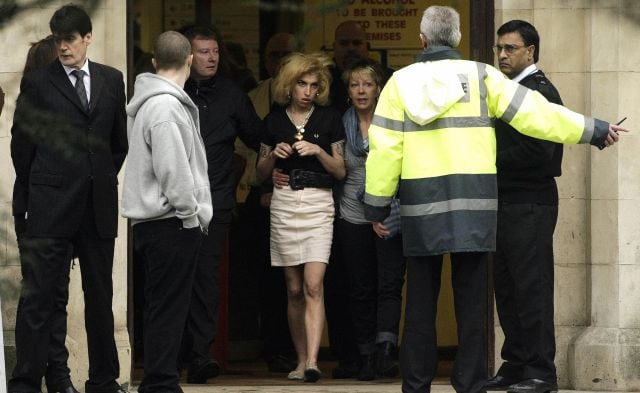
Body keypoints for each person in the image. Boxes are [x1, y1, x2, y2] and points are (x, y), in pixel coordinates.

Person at [363, 6, 626, 393]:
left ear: (422, 40)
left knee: (419, 301)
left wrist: (376, 204)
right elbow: (537, 115)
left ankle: (416, 384)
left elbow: (384, 150)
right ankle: (469, 383)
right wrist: (593, 129)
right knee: (471, 300)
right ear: (456, 40)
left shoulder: (399, 83)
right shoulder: (482, 76)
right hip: (475, 204)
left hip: (422, 204)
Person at [9, 4, 128, 393]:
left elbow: (117, 145)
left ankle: (104, 378)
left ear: (87, 38)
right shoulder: (40, 83)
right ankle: (26, 381)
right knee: (41, 297)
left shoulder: (112, 80)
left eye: (70, 40)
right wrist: (38, 190)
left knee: (100, 297)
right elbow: (22, 146)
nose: (63, 47)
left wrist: (97, 176)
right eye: (58, 40)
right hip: (51, 204)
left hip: (96, 206)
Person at [121, 30, 212, 393]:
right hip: (170, 222)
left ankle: (159, 379)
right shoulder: (166, 107)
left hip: (155, 222)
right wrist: (191, 215)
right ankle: (161, 382)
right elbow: (173, 171)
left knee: (161, 305)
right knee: (168, 308)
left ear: (155, 61)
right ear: (190, 59)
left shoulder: (153, 103)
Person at [256, 52, 346, 383]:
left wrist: (319, 152)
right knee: (293, 289)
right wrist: (274, 157)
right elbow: (258, 173)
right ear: (288, 86)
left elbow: (340, 170)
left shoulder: (330, 118)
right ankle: (298, 360)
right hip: (283, 204)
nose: (308, 91)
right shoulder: (274, 121)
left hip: (318, 205)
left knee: (312, 284)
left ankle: (312, 362)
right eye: (301, 84)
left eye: (314, 85)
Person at [484, 20, 563, 393]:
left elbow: (540, 152)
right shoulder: (510, 89)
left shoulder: (540, 92)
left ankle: (541, 372)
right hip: (506, 201)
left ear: (530, 51)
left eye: (510, 48)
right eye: (499, 48)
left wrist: (486, 158)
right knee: (508, 287)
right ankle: (515, 363)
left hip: (530, 202)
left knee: (532, 288)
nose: (502, 55)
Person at [181, 24, 263, 384]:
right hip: (173, 204)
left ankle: (201, 356)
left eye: (214, 51)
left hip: (216, 203)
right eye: (203, 51)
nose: (211, 57)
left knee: (206, 281)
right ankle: (170, 357)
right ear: (187, 55)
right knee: (173, 281)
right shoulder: (172, 91)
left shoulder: (231, 94)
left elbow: (260, 137)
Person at [332, 59, 406, 381]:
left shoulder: (393, 121)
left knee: (389, 284)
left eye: (368, 84)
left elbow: (403, 166)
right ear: (347, 91)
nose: (361, 91)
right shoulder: (340, 123)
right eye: (354, 85)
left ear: (379, 89)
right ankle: (365, 357)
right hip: (352, 215)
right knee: (360, 287)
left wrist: (384, 207)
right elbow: (339, 170)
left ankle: (386, 352)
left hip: (389, 210)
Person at [14, 34, 77, 393]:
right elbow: (22, 160)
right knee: (39, 296)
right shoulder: (32, 105)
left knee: (57, 296)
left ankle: (57, 372)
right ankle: (30, 375)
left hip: (65, 210)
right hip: (36, 212)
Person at [243, 32, 299, 374]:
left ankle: (306, 353)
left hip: (309, 201)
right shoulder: (251, 99)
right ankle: (275, 348)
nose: (280, 61)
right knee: (269, 280)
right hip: (261, 198)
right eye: (275, 54)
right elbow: (245, 154)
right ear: (265, 60)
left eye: (287, 55)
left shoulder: (315, 101)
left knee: (307, 282)